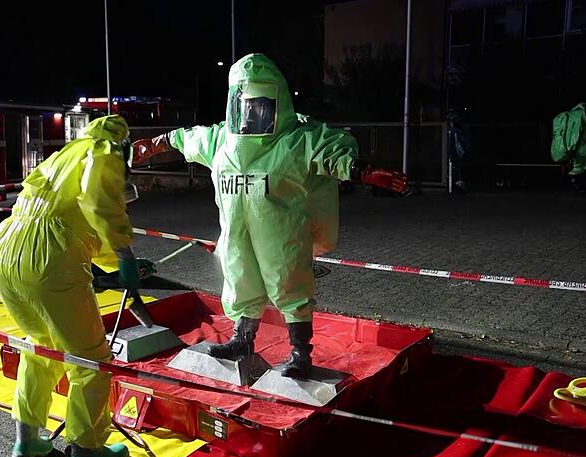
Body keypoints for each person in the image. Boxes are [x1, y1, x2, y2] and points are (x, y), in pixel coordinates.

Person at [133, 54, 407, 379]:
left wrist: (362, 170)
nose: (252, 111)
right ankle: (242, 340)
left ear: (276, 101)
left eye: (261, 103)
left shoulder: (295, 139)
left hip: (281, 233)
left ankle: (299, 354)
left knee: (289, 282)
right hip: (237, 233)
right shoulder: (221, 140)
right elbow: (188, 137)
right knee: (239, 278)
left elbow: (328, 150)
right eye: (245, 102)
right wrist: (157, 144)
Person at [0, 115, 138, 457]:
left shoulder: (63, 155)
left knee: (40, 346)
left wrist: (111, 263)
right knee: (91, 360)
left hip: (7, 251)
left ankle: (27, 440)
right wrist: (124, 252)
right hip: (48, 263)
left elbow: (68, 222)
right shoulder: (105, 150)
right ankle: (86, 451)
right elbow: (99, 202)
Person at [551, 102, 586, 192]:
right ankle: (575, 183)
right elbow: (575, 134)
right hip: (574, 147)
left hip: (564, 147)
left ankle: (570, 182)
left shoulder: (567, 115)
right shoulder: (579, 117)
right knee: (576, 165)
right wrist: (572, 148)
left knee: (570, 164)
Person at [446, 108, 470, 193]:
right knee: (453, 166)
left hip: (459, 150)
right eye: (449, 114)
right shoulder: (447, 128)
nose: (451, 116)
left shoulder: (459, 126)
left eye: (453, 114)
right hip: (450, 150)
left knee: (459, 166)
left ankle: (460, 184)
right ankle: (454, 184)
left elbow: (464, 133)